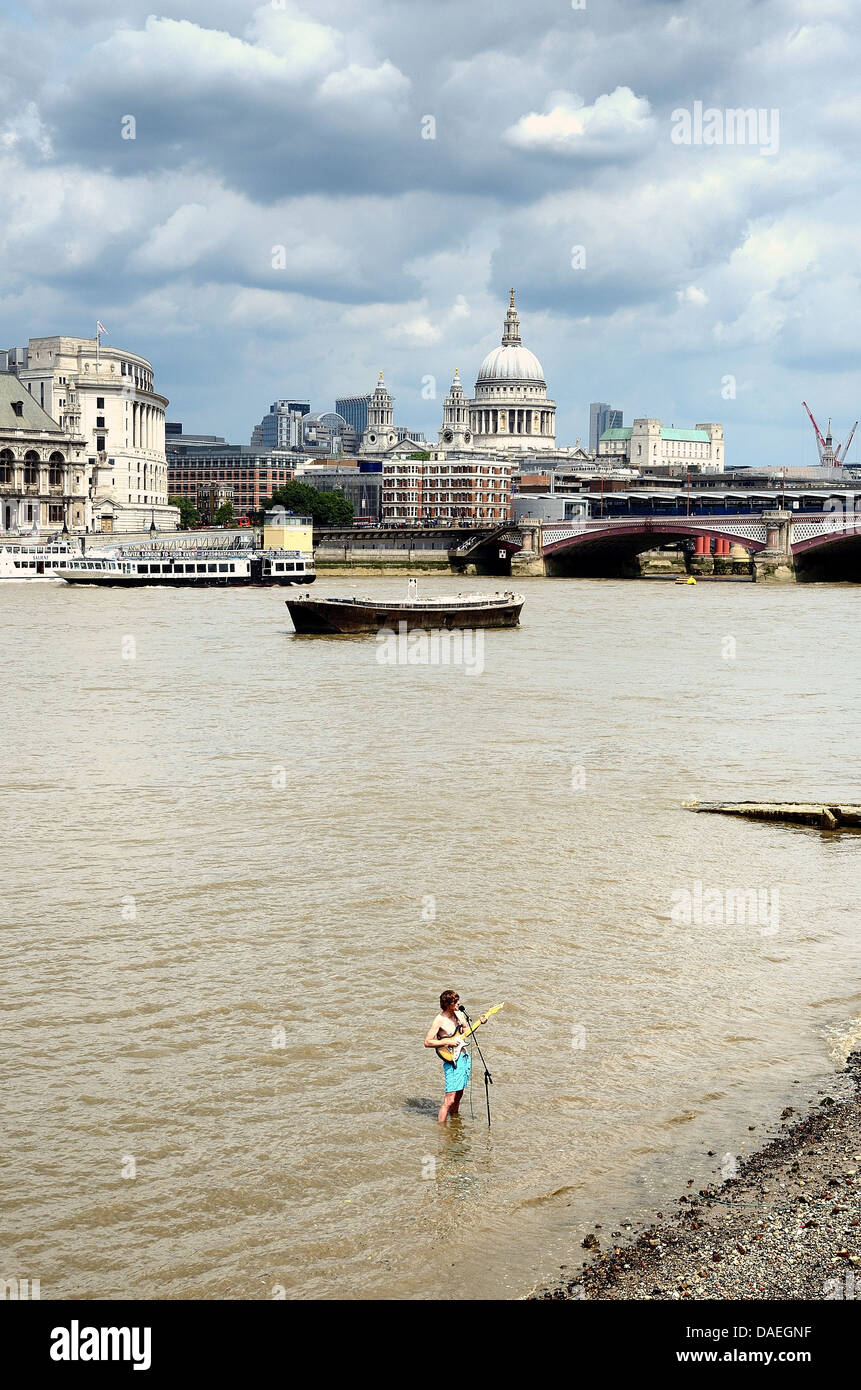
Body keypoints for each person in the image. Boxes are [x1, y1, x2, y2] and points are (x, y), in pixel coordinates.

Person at [424, 990, 487, 1123]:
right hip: (452, 1060)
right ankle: (442, 1132)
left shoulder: (459, 1014)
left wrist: (479, 1023)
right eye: (455, 1002)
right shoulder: (439, 1020)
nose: (458, 1003)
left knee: (459, 1094)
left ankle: (455, 1123)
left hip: (464, 1057)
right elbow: (428, 1042)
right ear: (447, 1004)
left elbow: (466, 1033)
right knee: (449, 1099)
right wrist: (447, 1041)